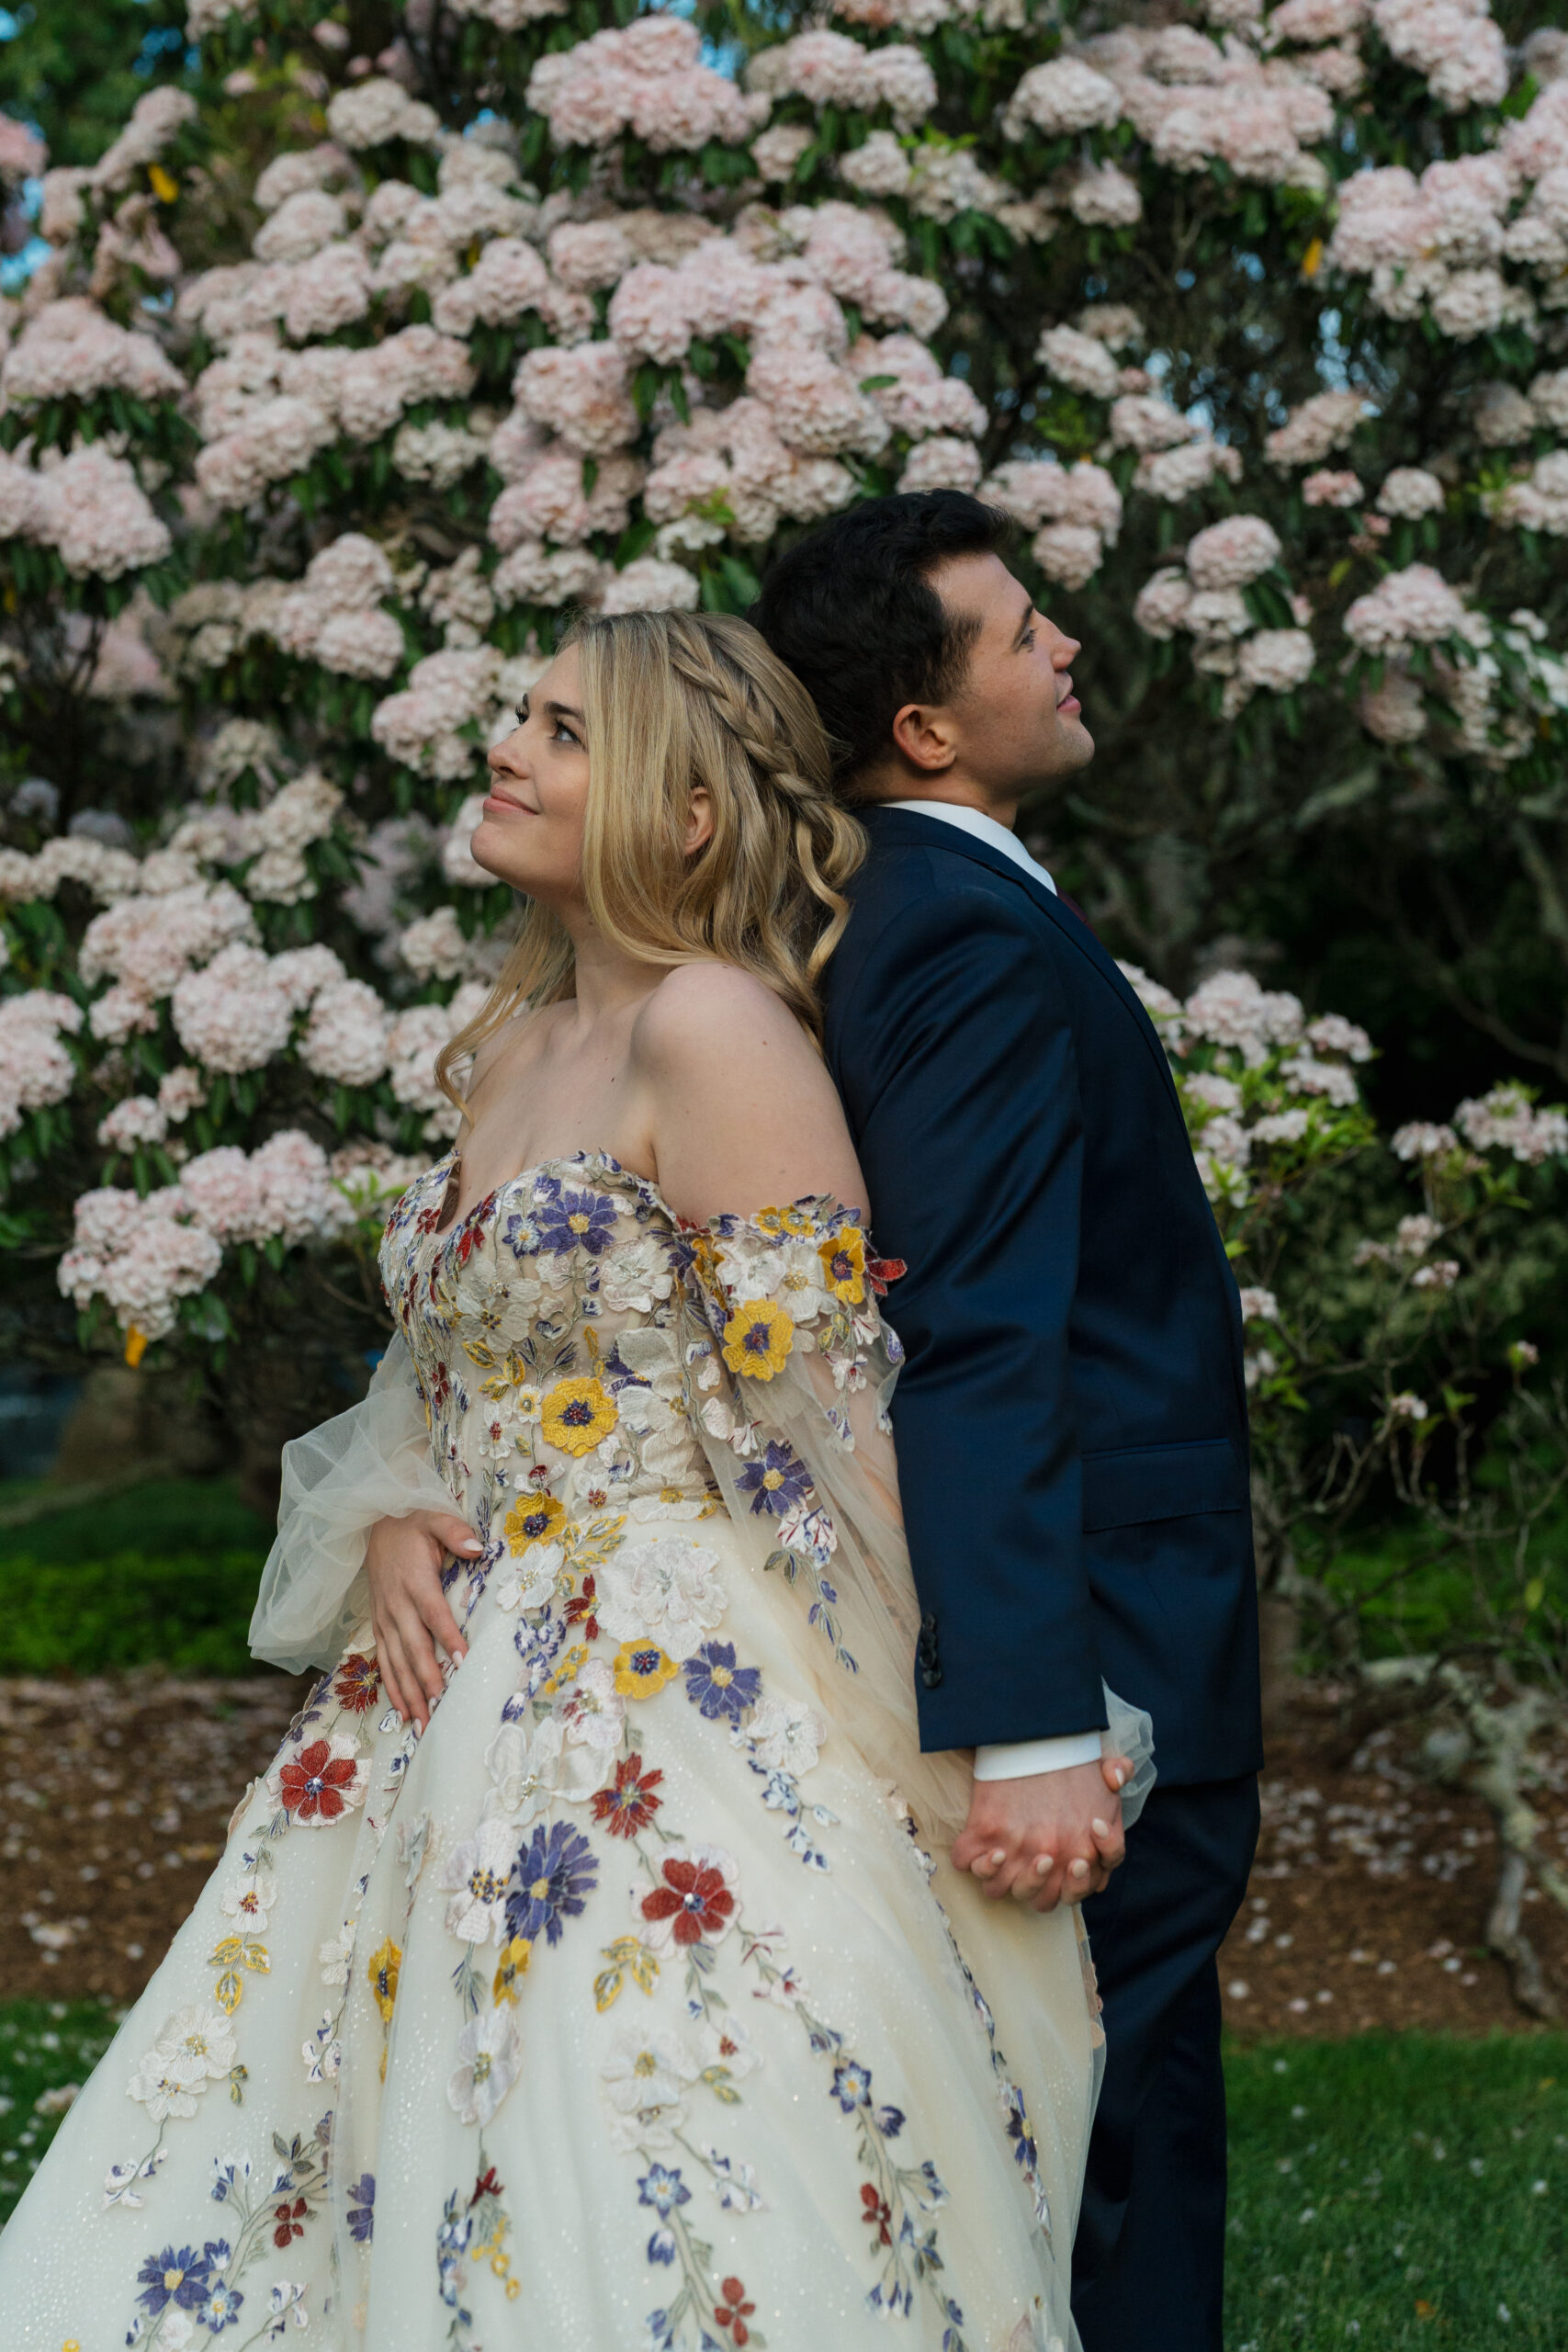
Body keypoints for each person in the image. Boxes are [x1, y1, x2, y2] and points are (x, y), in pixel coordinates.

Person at [0, 607, 1146, 2352]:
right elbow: (446, 1375)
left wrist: (986, 1716)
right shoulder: (513, 1046)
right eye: (518, 716)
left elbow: (830, 1421)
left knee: (631, 2121)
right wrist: (393, 1512)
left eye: (561, 730)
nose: (505, 749)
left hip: (670, 1682)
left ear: (686, 814)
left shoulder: (716, 1031)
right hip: (440, 1691)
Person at [750, 492, 1263, 2352]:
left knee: (1110, 2089)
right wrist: (1040, 1719)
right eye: (1023, 627)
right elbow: (970, 1327)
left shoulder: (913, 905)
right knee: (1102, 2103)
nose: (1066, 644)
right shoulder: (955, 931)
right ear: (922, 727)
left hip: (1083, 1580)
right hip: (1097, 1611)